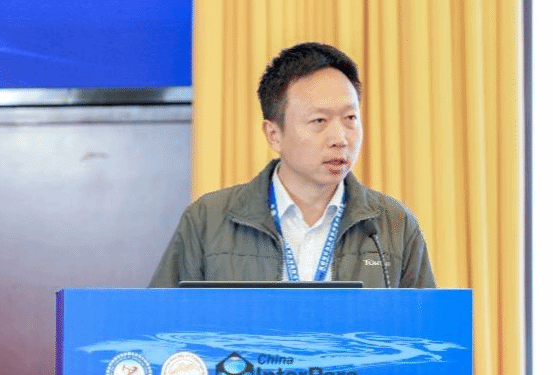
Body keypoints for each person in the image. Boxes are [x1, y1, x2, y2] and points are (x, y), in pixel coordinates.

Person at [149, 42, 436, 288]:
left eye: (350, 118)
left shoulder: (393, 225)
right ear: (274, 134)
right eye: (319, 121)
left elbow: (429, 332)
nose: (340, 139)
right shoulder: (208, 221)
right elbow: (161, 324)